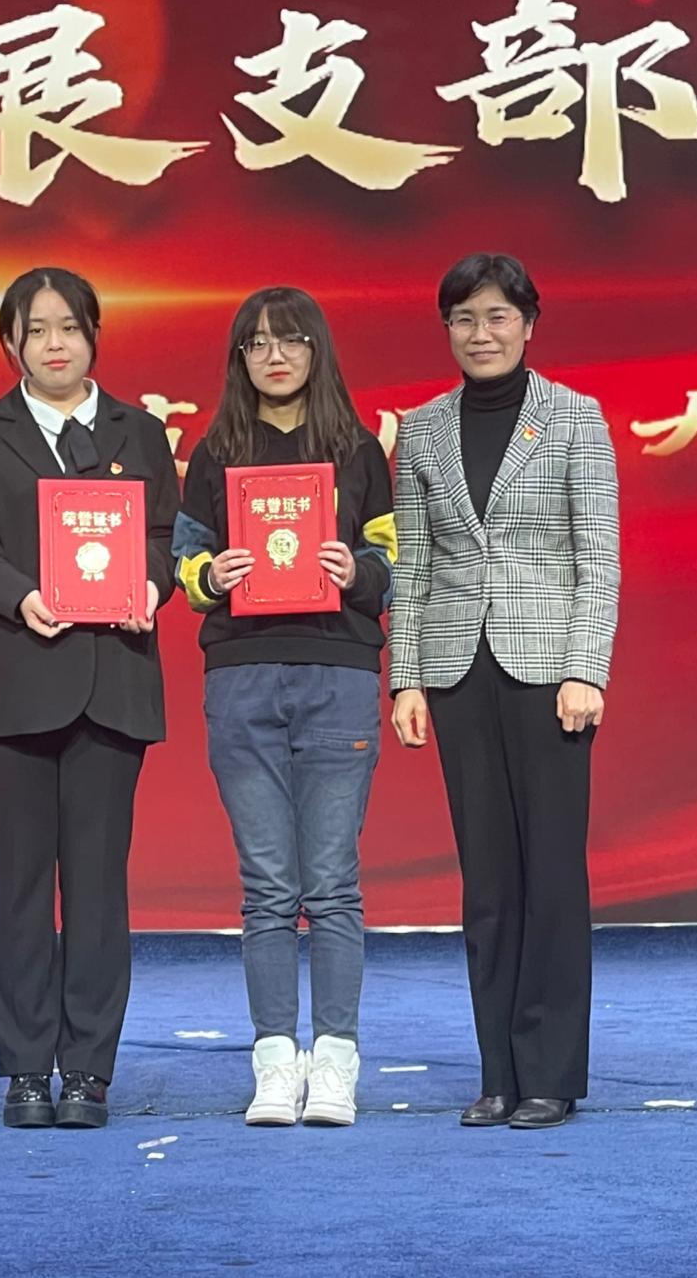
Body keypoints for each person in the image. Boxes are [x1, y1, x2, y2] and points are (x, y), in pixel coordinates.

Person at [0, 267, 177, 1130]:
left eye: (70, 326)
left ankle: (90, 1070)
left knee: (98, 886)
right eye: (37, 330)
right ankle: (28, 1068)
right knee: (20, 883)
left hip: (111, 684)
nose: (56, 343)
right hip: (11, 687)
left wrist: (151, 584)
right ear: (11, 344)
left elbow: (168, 536)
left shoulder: (139, 432)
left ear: (94, 335)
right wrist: (19, 593)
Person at [387, 252, 620, 1130]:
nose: (479, 333)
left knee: (551, 872)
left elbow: (597, 557)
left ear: (528, 323)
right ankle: (498, 1072)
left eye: (496, 316)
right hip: (457, 672)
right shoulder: (422, 429)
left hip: (549, 672)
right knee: (487, 880)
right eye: (463, 318)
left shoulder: (574, 417)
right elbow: (413, 568)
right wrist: (407, 676)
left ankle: (550, 1071)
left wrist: (586, 667)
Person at [172, 286, 395, 1127]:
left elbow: (392, 563)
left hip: (337, 672)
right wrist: (211, 575)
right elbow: (184, 563)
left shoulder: (357, 450)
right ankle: (274, 1060)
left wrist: (356, 571)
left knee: (331, 883)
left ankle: (334, 1061)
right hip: (242, 675)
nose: (275, 355)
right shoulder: (216, 452)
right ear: (240, 357)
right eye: (258, 342)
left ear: (316, 351)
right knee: (267, 886)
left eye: (292, 340)